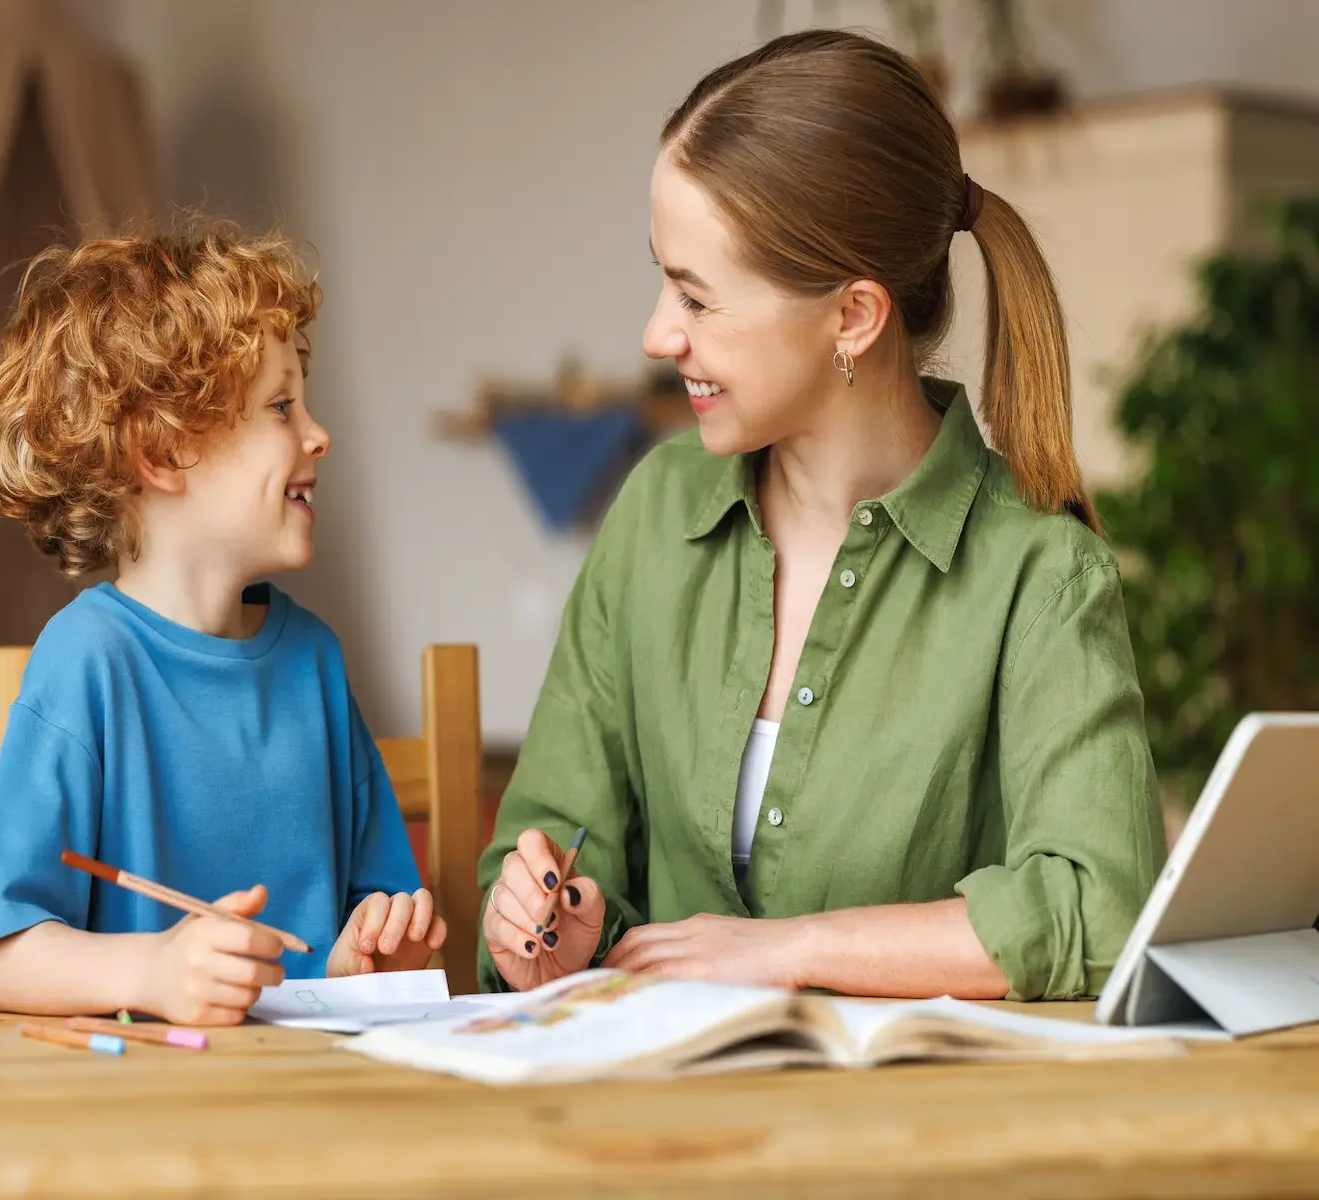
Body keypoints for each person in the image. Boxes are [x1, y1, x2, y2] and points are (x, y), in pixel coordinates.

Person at [478, 30, 1164, 1002]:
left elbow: (1099, 906)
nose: (656, 332)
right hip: (657, 1132)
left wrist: (791, 950)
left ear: (852, 317)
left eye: (696, 297)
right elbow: (540, 844)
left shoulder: (1039, 574)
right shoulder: (654, 515)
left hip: (916, 1139)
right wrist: (546, 931)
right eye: (662, 277)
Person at [0, 223, 445, 1024]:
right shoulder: (86, 663)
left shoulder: (315, 661)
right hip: (145, 1121)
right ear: (163, 453)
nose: (319, 433)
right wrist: (151, 970)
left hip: (310, 1110)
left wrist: (373, 955)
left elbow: (375, 915)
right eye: (281, 406)